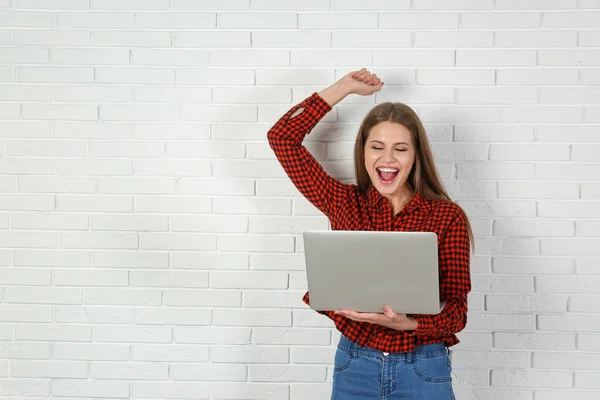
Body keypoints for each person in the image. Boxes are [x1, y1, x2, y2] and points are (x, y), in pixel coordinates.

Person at [267, 68, 473, 400]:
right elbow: (282, 138)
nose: (387, 159)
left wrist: (410, 325)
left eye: (401, 149)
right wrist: (343, 88)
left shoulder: (446, 217)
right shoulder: (343, 202)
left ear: (416, 156)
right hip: (355, 364)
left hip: (422, 365)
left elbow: (456, 311)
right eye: (377, 146)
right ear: (363, 152)